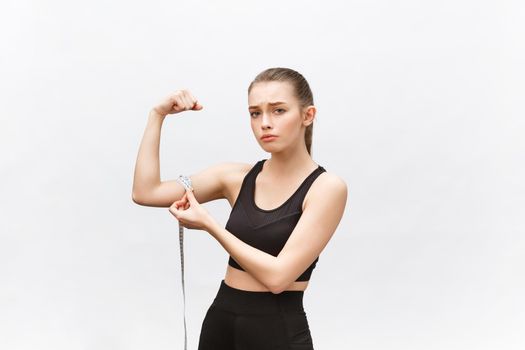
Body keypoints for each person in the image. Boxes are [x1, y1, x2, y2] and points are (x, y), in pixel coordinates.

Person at [132, 67, 348, 349]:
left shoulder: (326, 188)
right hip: (220, 324)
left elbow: (278, 278)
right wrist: (156, 116)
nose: (265, 123)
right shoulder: (235, 178)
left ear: (307, 115)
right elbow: (146, 191)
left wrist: (209, 225)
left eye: (279, 110)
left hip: (277, 332)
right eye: (255, 113)